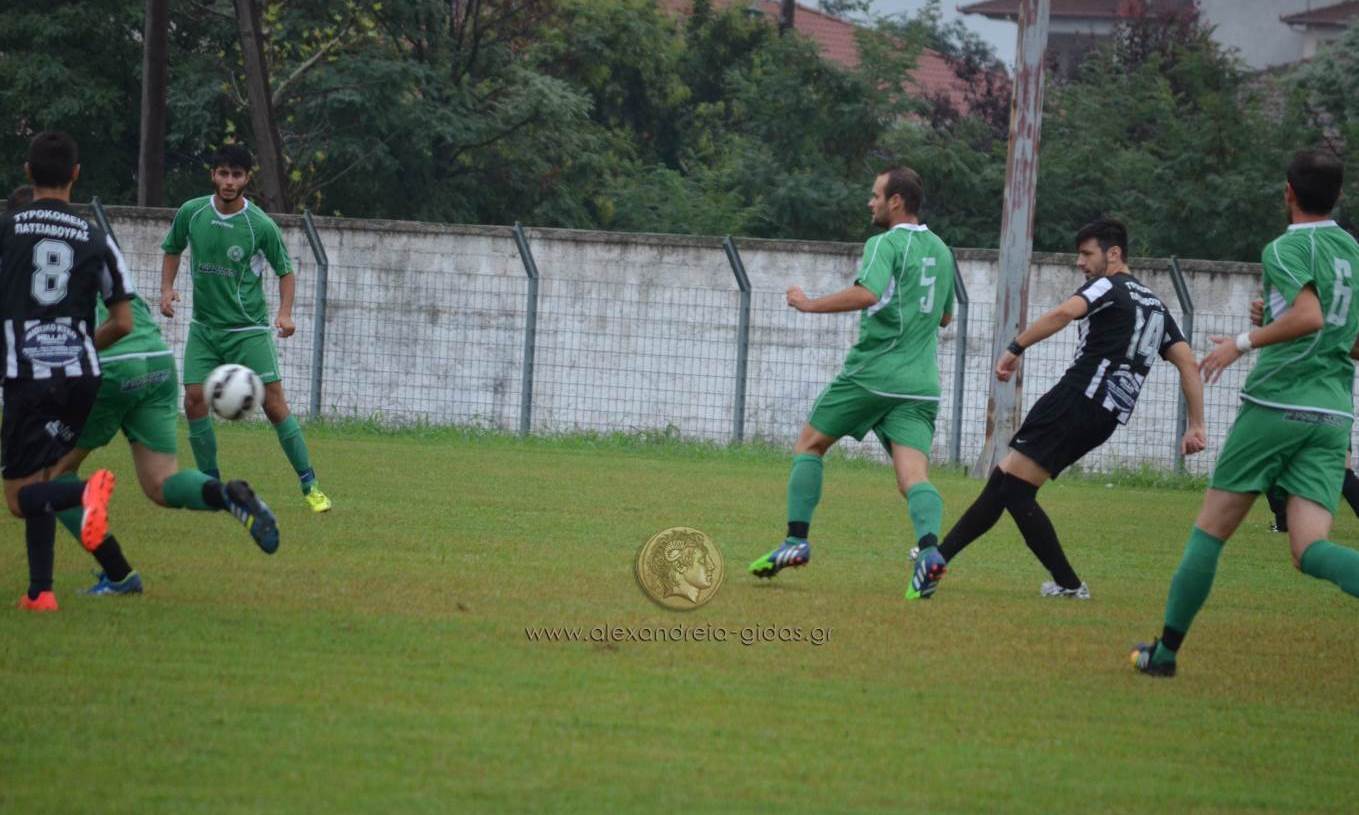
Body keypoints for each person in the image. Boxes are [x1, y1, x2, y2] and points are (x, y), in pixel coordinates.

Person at [1132, 150, 1359, 677]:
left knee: (1210, 530)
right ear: (1338, 196)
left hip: (1278, 404)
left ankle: (1164, 655)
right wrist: (1275, 318)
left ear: (1288, 192)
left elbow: (1309, 317)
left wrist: (1242, 342)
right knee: (1309, 549)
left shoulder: (1285, 247)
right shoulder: (1352, 251)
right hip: (1332, 415)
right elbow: (1343, 337)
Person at [6, 184, 283, 596]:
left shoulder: (21, 254)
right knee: (160, 482)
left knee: (49, 478)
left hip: (109, 364)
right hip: (156, 361)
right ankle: (227, 496)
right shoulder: (90, 241)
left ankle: (116, 574)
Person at [912, 218, 1207, 601]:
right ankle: (940, 558)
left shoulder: (1108, 285)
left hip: (1077, 397)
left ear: (1114, 253)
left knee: (1014, 490)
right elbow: (1188, 363)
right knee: (1005, 481)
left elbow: (1064, 313)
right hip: (1106, 414)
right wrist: (1196, 424)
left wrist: (1015, 348)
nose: (1080, 263)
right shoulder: (1156, 306)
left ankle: (1062, 582)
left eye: (1087, 254)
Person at [748, 167, 956, 599]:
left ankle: (796, 540)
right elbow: (945, 316)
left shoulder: (885, 243)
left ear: (896, 201)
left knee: (810, 444)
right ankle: (930, 553)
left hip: (873, 374)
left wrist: (808, 304)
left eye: (876, 195)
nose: (870, 202)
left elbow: (867, 293)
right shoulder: (942, 250)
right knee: (913, 477)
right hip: (920, 385)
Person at [159, 143, 331, 512]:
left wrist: (285, 313)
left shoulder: (260, 225)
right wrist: (167, 288)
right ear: (213, 175)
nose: (229, 181)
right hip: (204, 329)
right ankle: (211, 487)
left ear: (246, 179)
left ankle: (310, 485)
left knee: (274, 404)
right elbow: (172, 247)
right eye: (223, 173)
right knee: (193, 399)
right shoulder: (191, 212)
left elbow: (285, 271)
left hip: (248, 330)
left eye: (236, 175)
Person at [1, 131, 133, 611]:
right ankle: (41, 592)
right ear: (75, 174)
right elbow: (123, 322)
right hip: (81, 378)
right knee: (41, 481)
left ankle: (85, 491)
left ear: (28, 171)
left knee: (20, 500)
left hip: (26, 377)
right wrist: (75, 350)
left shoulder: (8, 229)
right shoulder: (96, 238)